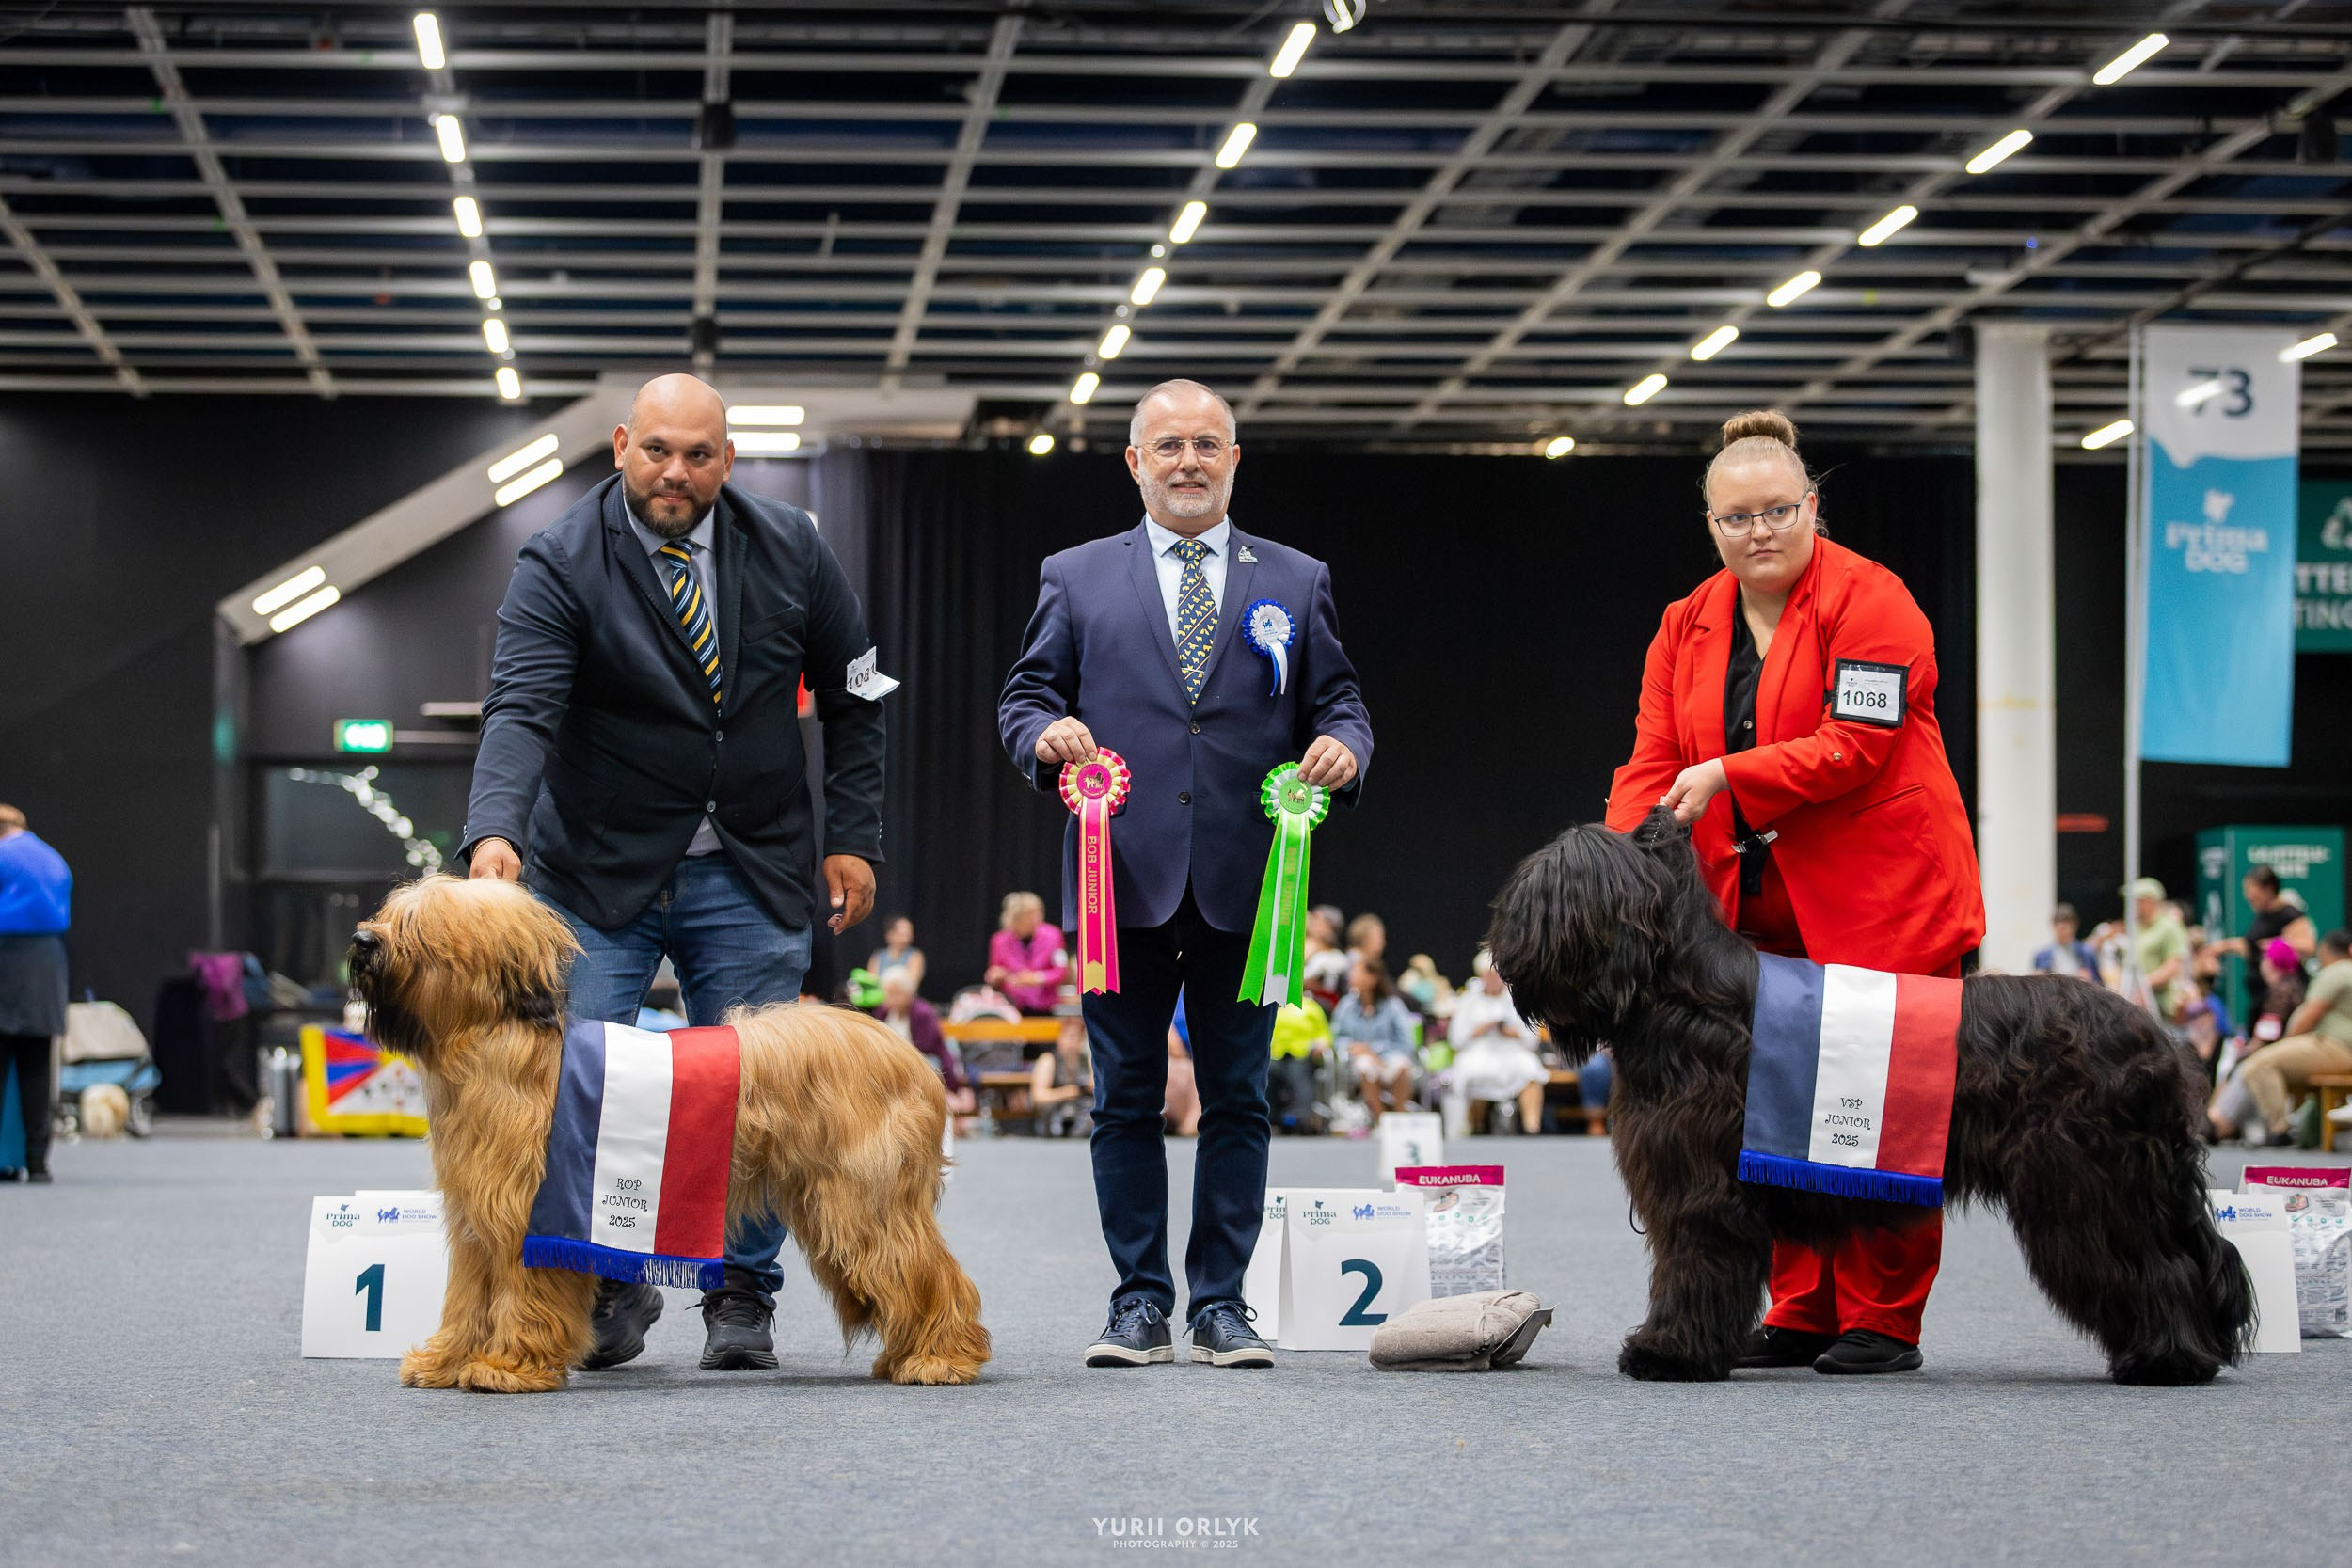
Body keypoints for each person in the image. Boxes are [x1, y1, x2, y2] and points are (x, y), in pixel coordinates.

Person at [460, 372, 885, 1373]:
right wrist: (492, 836)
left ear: (727, 459)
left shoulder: (795, 546)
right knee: (586, 1094)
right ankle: (612, 1283)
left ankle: (741, 1295)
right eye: (657, 450)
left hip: (750, 863)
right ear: (619, 445)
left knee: (756, 1093)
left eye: (698, 455)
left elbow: (861, 691)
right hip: (594, 872)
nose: (675, 472)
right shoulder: (557, 559)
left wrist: (855, 833)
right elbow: (520, 707)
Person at [998, 377, 1373, 1370]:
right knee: (1123, 1100)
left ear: (1234, 459)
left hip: (1250, 887)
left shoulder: (1295, 578)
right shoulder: (1075, 576)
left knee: (1239, 1098)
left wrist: (1342, 748)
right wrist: (1047, 735)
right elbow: (1024, 696)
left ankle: (1219, 1303)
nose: (1188, 461)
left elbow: (1340, 703)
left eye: (1207, 443)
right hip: (1115, 880)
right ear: (1134, 462)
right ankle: (1136, 1300)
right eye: (1167, 445)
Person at [1606, 409, 1984, 1377]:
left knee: (1879, 1102)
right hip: (1751, 906)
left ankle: (1883, 1316)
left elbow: (1857, 748)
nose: (1758, 531)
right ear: (1710, 523)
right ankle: (1804, 1305)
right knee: (1773, 1108)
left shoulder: (1874, 599)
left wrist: (1730, 773)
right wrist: (1618, 860)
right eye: (1736, 517)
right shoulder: (1682, 622)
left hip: (1881, 897)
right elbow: (1652, 757)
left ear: (1812, 504)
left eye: (1776, 509)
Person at [0, 805, 69, 1184]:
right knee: (36, 1066)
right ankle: (38, 1160)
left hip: (5, 959)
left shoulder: (2, 855)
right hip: (46, 964)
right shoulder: (52, 858)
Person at [2236, 930, 2352, 1147]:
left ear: (2325, 950)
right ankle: (2290, 1129)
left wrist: (2285, 1044)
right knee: (2262, 1063)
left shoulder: (2337, 972)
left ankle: (2279, 1129)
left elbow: (2310, 1014)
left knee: (2261, 1063)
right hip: (2339, 1049)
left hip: (2336, 1047)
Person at [1446, 950, 1547, 1133]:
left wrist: (1509, 1032)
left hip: (1511, 1051)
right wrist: (1480, 1030)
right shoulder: (1468, 1000)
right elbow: (1455, 1040)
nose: (1491, 980)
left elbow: (1532, 1039)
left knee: (1531, 1068)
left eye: (1495, 975)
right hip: (1477, 1052)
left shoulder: (1519, 999)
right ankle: (1471, 1128)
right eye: (1487, 975)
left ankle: (1532, 1127)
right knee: (1465, 1072)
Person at [2198, 866, 2316, 1021]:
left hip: (2280, 997)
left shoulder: (2289, 914)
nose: (2247, 896)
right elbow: (2251, 945)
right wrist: (2219, 947)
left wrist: (2276, 946)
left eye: (2250, 890)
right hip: (2259, 994)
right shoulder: (2263, 915)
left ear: (2268, 889)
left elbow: (2308, 946)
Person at [874, 967, 972, 1120]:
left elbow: (926, 1048)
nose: (889, 999)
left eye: (895, 993)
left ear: (907, 993)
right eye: (887, 993)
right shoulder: (883, 1012)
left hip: (921, 1061)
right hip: (891, 1063)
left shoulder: (922, 1012)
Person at [1332, 958, 1419, 1126]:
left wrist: (1374, 1051)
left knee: (1402, 1066)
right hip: (1358, 1062)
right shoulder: (1346, 1006)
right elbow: (1337, 1038)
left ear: (1373, 978)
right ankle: (1382, 1121)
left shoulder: (1393, 1005)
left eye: (1357, 972)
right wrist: (1356, 1049)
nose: (1352, 977)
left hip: (1390, 1057)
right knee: (1365, 1066)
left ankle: (1400, 1120)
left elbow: (1406, 1041)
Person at [984, 892, 1067, 1015]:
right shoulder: (999, 941)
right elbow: (995, 972)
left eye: (1038, 912)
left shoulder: (1053, 935)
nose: (1037, 917)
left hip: (1044, 1007)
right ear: (1015, 917)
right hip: (1011, 1007)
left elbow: (1061, 972)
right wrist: (996, 976)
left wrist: (1037, 978)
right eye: (1030, 914)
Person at [2126, 878, 2190, 1023]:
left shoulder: (2170, 928)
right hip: (2134, 1000)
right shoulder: (2134, 927)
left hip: (2160, 1004)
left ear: (2150, 901)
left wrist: (2143, 984)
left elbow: (2173, 966)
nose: (2133, 905)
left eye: (2138, 900)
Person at [1268, 994, 1332, 1133]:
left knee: (1299, 1074)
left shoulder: (1311, 1006)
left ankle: (1302, 1120)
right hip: (1275, 1054)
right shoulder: (1272, 1003)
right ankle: (1270, 1118)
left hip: (1303, 1054)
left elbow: (1324, 1034)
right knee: (1267, 1074)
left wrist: (1322, 1043)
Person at [2031, 904, 2099, 979]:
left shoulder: (2087, 952)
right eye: (2061, 929)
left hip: (2077, 990)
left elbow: (2099, 984)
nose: (2065, 933)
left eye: (2068, 928)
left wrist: (2089, 979)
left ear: (2075, 927)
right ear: (2054, 926)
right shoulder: (2042, 955)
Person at [868, 915, 927, 996]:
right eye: (902, 933)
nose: (906, 937)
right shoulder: (878, 955)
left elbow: (912, 984)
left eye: (909, 933)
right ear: (890, 934)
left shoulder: (916, 956)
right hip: (880, 1002)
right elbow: (871, 982)